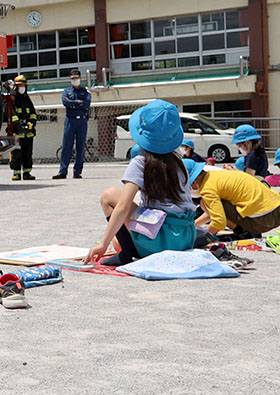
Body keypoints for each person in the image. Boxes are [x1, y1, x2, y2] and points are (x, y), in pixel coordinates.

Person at [86, 100, 197, 266]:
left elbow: (122, 206)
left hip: (159, 241)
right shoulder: (179, 163)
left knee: (110, 195)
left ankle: (127, 253)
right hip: (185, 238)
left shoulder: (141, 162)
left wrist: (103, 244)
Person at [186, 158, 280, 236]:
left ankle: (241, 232)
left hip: (261, 221)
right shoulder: (219, 175)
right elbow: (214, 212)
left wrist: (198, 236)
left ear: (194, 183)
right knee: (211, 205)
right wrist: (193, 225)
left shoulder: (207, 189)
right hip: (276, 210)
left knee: (204, 203)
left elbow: (219, 222)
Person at [53, 69, 91, 180]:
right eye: (73, 78)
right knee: (66, 147)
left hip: (82, 121)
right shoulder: (66, 91)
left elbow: (86, 104)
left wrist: (73, 104)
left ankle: (77, 172)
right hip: (70, 120)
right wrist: (78, 102)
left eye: (76, 78)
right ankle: (62, 171)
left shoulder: (85, 92)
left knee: (80, 147)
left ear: (80, 78)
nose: (75, 80)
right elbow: (65, 102)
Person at [10, 74, 37, 181]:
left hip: (28, 132)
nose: (22, 88)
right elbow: (11, 114)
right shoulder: (12, 99)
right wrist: (18, 125)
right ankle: (16, 173)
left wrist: (31, 123)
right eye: (20, 86)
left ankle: (27, 173)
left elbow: (33, 113)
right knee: (17, 153)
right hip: (17, 132)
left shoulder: (27, 99)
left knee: (28, 153)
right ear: (16, 87)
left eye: (24, 86)